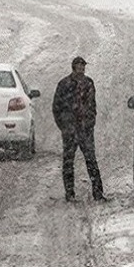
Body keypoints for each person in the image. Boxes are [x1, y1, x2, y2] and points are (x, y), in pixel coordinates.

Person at [52, 56, 107, 202]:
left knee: (91, 160)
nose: (82, 69)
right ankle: (69, 193)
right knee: (68, 161)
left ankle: (98, 193)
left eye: (83, 66)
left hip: (85, 129)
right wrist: (64, 126)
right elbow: (56, 107)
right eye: (79, 66)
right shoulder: (64, 84)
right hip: (70, 129)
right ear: (73, 67)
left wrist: (90, 122)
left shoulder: (89, 83)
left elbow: (92, 105)